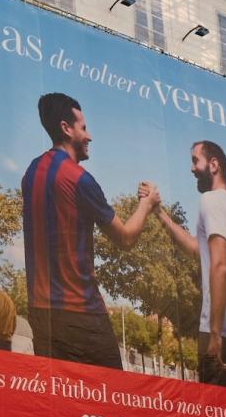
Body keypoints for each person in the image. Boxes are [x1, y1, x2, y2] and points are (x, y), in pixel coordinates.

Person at [22, 92, 160, 368]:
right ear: (66, 128)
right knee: (110, 392)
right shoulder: (79, 179)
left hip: (40, 314)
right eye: (84, 128)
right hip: (81, 315)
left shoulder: (31, 172)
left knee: (60, 394)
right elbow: (126, 238)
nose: (89, 136)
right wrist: (147, 204)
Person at [146, 140, 226, 392]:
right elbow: (196, 249)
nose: (192, 168)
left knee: (215, 415)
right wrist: (159, 212)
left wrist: (215, 334)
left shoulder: (211, 200)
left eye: (195, 161)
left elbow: (220, 265)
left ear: (213, 165)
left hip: (224, 338)